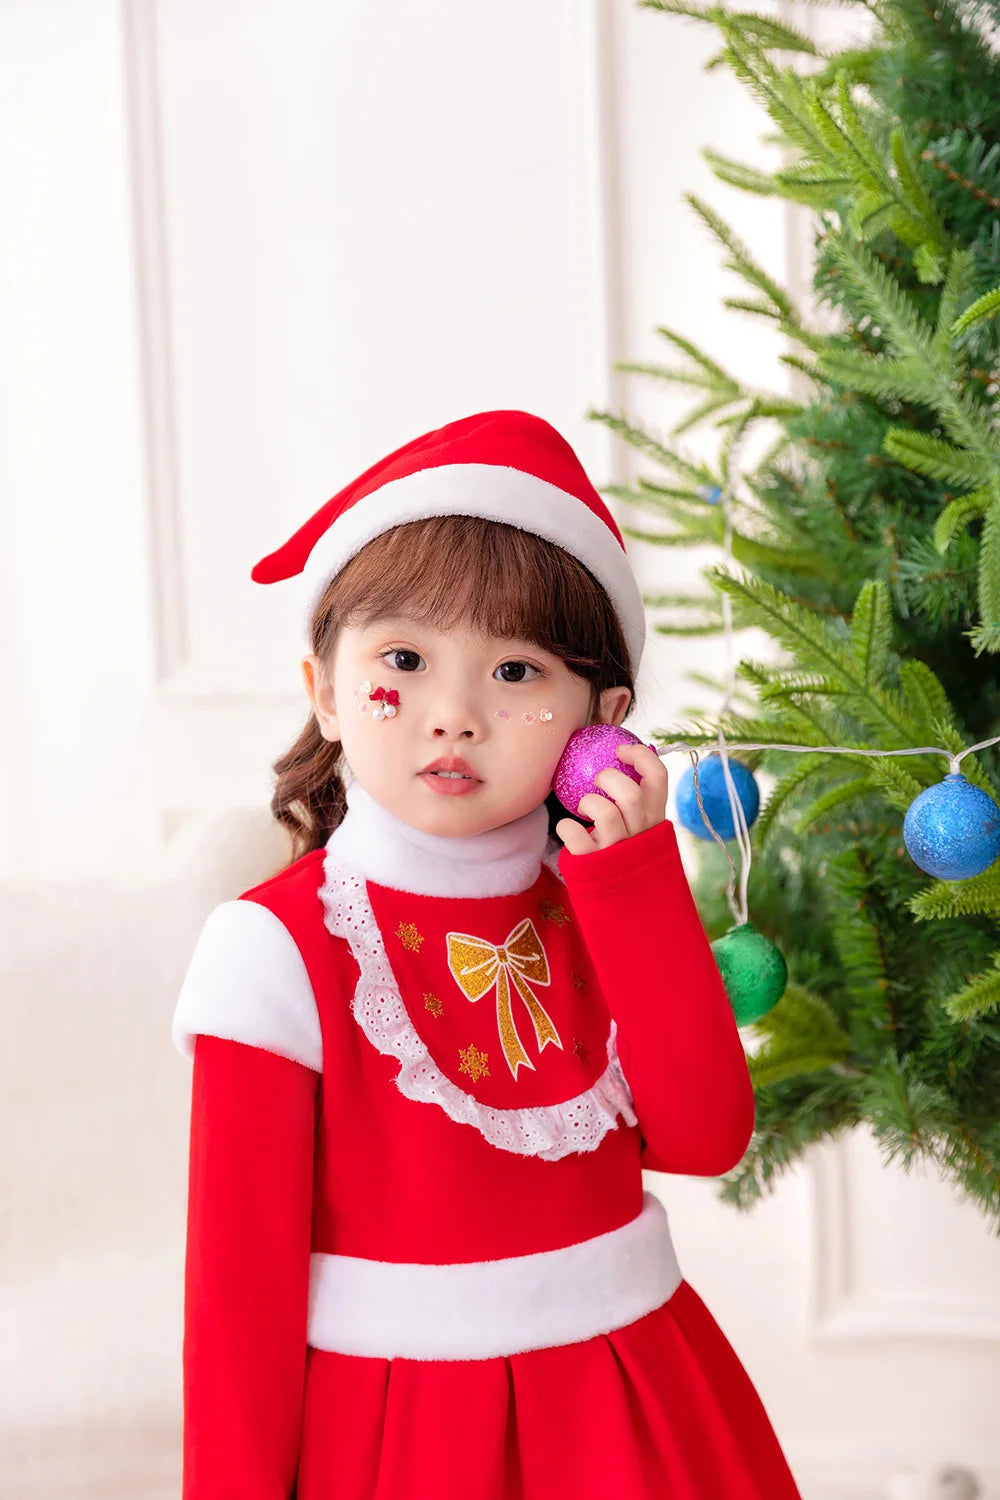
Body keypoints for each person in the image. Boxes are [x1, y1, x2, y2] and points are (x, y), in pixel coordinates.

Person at [171, 408, 802, 1498]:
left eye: (516, 671)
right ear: (324, 689)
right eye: (404, 660)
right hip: (400, 1441)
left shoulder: (606, 905)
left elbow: (706, 1139)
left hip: (632, 1414)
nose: (454, 715)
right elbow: (238, 1306)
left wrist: (635, 883)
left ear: (603, 718)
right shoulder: (271, 952)